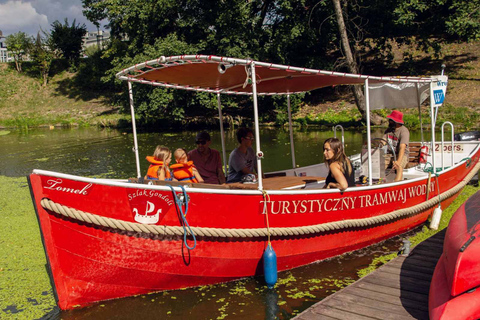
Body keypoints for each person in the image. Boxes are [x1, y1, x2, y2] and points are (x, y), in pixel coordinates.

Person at [383, 110, 410, 181]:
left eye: (391, 120)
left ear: (397, 122)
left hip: (402, 154)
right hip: (390, 154)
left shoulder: (404, 131)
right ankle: (378, 182)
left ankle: (397, 183)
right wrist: (375, 143)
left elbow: (402, 148)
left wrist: (398, 161)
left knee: (399, 166)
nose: (389, 121)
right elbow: (383, 141)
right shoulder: (388, 130)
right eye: (390, 120)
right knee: (379, 164)